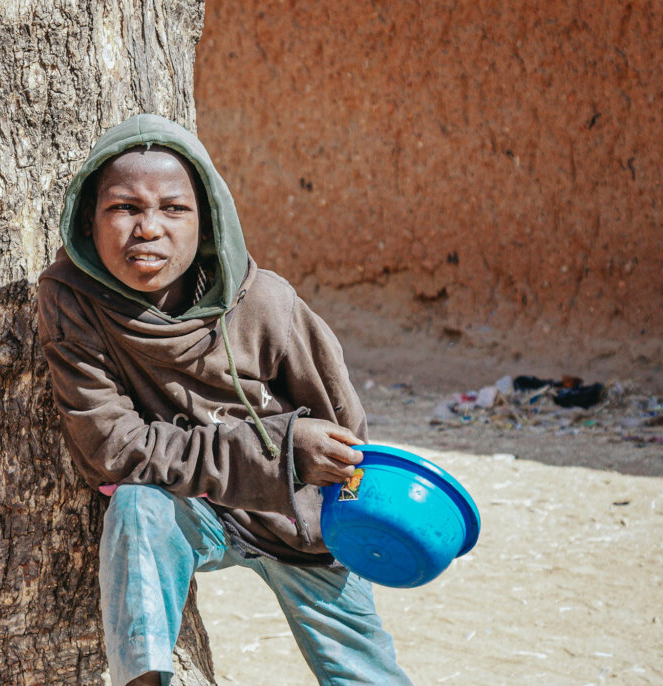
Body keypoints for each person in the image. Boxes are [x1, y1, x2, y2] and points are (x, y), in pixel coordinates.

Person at [37, 114, 411, 686]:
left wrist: (315, 472)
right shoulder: (74, 302)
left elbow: (343, 428)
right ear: (89, 221)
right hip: (193, 505)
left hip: (297, 521)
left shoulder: (266, 303)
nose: (148, 228)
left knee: (367, 675)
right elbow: (111, 451)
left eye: (173, 208)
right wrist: (280, 451)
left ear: (207, 221)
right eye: (124, 208)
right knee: (138, 505)